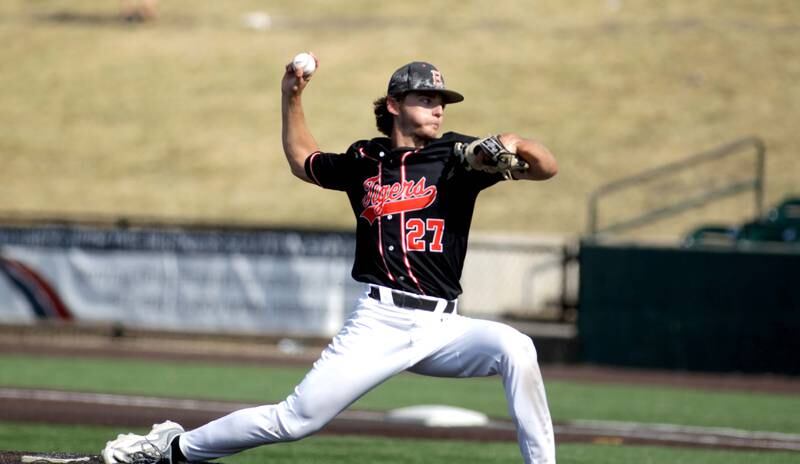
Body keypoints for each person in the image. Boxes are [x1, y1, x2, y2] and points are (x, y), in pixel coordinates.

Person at [102, 57, 558, 464]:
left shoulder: (458, 156)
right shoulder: (365, 158)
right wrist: (291, 97)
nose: (438, 108)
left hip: (444, 326)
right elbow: (303, 160)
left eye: (442, 100)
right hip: (381, 320)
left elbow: (546, 167)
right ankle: (173, 449)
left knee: (516, 348)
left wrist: (511, 142)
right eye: (427, 98)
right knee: (295, 420)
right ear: (395, 104)